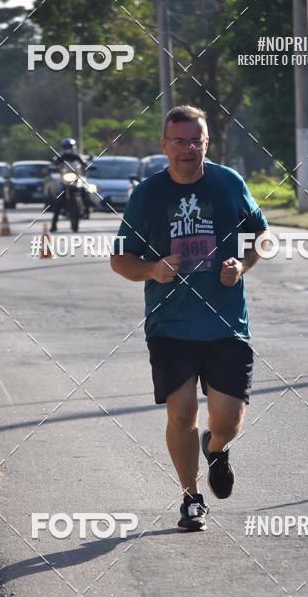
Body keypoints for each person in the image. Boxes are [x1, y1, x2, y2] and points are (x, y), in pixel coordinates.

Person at [111, 105, 269, 532]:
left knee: (228, 420)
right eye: (178, 141)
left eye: (195, 140)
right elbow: (120, 260)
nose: (187, 149)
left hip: (226, 325)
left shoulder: (228, 183)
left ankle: (216, 449)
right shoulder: (147, 195)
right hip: (171, 325)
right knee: (181, 412)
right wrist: (151, 270)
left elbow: (261, 236)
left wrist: (242, 265)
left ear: (206, 142)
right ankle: (191, 498)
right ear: (164, 145)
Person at [50, 137, 87, 232]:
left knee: (86, 190)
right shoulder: (61, 157)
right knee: (59, 200)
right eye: (66, 147)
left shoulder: (79, 156)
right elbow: (54, 163)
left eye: (70, 146)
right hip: (65, 180)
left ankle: (86, 208)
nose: (68, 148)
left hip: (76, 179)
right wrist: (53, 166)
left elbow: (85, 164)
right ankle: (54, 224)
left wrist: (88, 167)